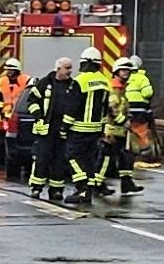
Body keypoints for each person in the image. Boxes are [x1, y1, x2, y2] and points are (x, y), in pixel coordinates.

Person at [62, 46, 115, 206]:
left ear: (84, 63)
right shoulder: (105, 82)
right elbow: (107, 107)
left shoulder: (80, 81)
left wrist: (64, 127)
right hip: (96, 129)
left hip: (79, 128)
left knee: (72, 158)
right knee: (89, 160)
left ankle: (82, 188)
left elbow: (73, 107)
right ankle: (87, 191)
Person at [27, 61, 72, 198]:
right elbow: (32, 100)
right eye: (67, 68)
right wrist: (38, 116)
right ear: (58, 69)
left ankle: (56, 190)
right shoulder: (44, 83)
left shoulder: (72, 85)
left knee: (59, 161)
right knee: (42, 159)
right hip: (45, 129)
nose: (70, 71)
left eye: (71, 68)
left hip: (62, 129)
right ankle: (36, 188)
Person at [112, 53, 155, 198]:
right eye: (124, 71)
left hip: (122, 126)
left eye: (128, 71)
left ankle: (126, 183)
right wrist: (123, 121)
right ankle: (97, 185)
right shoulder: (117, 87)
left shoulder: (123, 87)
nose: (127, 74)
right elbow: (113, 108)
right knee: (108, 157)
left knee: (125, 155)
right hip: (116, 127)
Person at [0, 61, 30, 174]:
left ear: (17, 70)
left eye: (10, 70)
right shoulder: (3, 81)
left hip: (20, 114)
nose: (8, 72)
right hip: (8, 116)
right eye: (7, 69)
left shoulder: (26, 80)